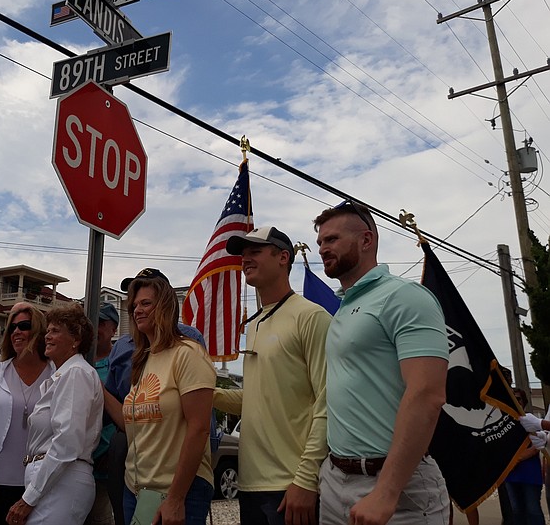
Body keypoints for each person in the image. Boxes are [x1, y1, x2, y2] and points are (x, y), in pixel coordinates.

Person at [313, 200, 450, 524]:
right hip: (334, 482)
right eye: (320, 241)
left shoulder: (405, 297)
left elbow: (428, 394)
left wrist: (386, 492)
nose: (322, 249)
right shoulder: (343, 308)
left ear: (366, 240)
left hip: (398, 490)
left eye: (331, 239)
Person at [214, 226, 331, 524]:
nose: (245, 259)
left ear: (283, 257)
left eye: (255, 251)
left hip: (291, 485)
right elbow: (254, 399)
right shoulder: (255, 324)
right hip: (250, 483)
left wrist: (306, 479)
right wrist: (206, 393)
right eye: (243, 253)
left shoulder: (311, 316)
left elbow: (328, 402)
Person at [102, 268, 207, 525]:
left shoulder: (188, 350)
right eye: (134, 304)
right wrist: (98, 389)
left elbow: (200, 426)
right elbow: (131, 424)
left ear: (166, 305)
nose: (137, 309)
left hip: (175, 489)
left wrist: (176, 497)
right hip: (135, 487)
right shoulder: (139, 359)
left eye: (146, 303)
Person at [7, 304, 104, 525]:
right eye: (48, 330)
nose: (47, 336)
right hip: (53, 481)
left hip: (64, 481)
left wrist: (29, 498)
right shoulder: (61, 377)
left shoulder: (76, 373)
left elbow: (67, 443)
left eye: (55, 331)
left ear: (76, 339)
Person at [0, 302, 53, 525]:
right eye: (12, 327)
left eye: (24, 325)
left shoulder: (57, 374)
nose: (16, 331)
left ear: (39, 331)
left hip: (40, 487)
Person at [85, 302, 120, 525]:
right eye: (90, 322)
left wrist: (113, 451)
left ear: (113, 329)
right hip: (75, 464)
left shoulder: (120, 363)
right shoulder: (75, 360)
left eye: (100, 323)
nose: (94, 327)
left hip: (105, 466)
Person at [505, 388, 546, 524]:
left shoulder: (529, 419)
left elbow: (537, 446)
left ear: (524, 402)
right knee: (516, 510)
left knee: (532, 510)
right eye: (513, 398)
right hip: (511, 474)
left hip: (530, 473)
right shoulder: (504, 423)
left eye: (519, 399)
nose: (516, 402)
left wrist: (518, 458)